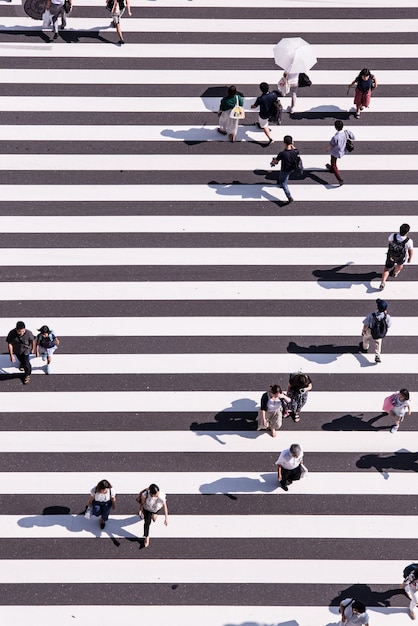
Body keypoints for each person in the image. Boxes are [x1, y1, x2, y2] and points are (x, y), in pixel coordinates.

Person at [380, 223, 413, 290]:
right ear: (407, 232)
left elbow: (389, 241)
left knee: (386, 269)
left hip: (391, 255)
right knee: (400, 265)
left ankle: (383, 282)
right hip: (400, 257)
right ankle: (395, 273)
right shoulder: (408, 241)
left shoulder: (393, 235)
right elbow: (410, 251)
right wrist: (410, 258)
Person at [270, 135, 301, 203]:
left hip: (284, 169)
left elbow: (276, 161)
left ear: (284, 143)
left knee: (283, 183)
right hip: (292, 168)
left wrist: (272, 162)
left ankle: (289, 197)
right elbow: (295, 149)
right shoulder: (296, 151)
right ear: (292, 142)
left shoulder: (282, 154)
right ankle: (283, 180)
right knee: (286, 176)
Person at [359, 298, 392, 363]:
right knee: (378, 343)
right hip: (379, 332)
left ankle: (365, 348)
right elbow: (388, 325)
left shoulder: (371, 315)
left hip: (370, 330)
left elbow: (366, 325)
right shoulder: (387, 317)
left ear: (377, 308)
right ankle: (377, 355)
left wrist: (363, 331)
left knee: (366, 338)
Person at [137, 483, 168, 548]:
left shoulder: (161, 495)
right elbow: (142, 503)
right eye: (156, 493)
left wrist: (166, 518)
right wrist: (140, 510)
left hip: (156, 509)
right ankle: (146, 536)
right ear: (152, 494)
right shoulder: (145, 495)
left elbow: (165, 506)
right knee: (147, 524)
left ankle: (154, 514)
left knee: (154, 517)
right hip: (147, 510)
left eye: (158, 492)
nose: (158, 494)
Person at [325, 120, 355, 186]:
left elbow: (331, 145)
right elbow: (353, 137)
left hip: (336, 152)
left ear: (336, 128)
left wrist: (326, 149)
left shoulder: (335, 137)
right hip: (343, 150)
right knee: (333, 162)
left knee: (333, 164)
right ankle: (332, 169)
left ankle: (339, 179)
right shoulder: (346, 132)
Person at [6, 321, 35, 385]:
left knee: (26, 363)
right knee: (21, 360)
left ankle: (27, 375)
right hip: (17, 351)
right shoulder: (12, 333)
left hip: (26, 350)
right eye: (19, 331)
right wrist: (11, 355)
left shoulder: (29, 333)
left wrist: (33, 349)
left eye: (23, 331)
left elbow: (32, 341)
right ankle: (22, 364)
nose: (21, 333)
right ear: (16, 329)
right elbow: (10, 344)